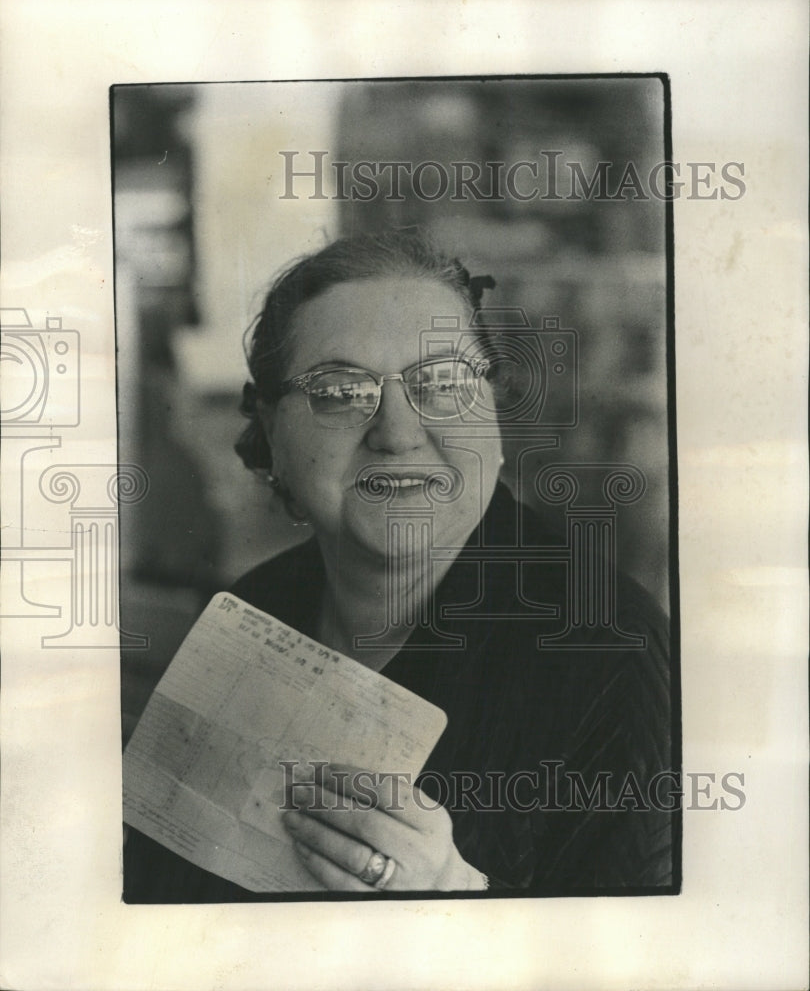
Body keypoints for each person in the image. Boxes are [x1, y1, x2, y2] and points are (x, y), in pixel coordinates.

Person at [123, 228, 676, 901]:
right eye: (339, 390)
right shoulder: (252, 614)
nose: (397, 431)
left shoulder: (616, 655)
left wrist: (456, 894)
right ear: (271, 430)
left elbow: (656, 960)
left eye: (441, 381)